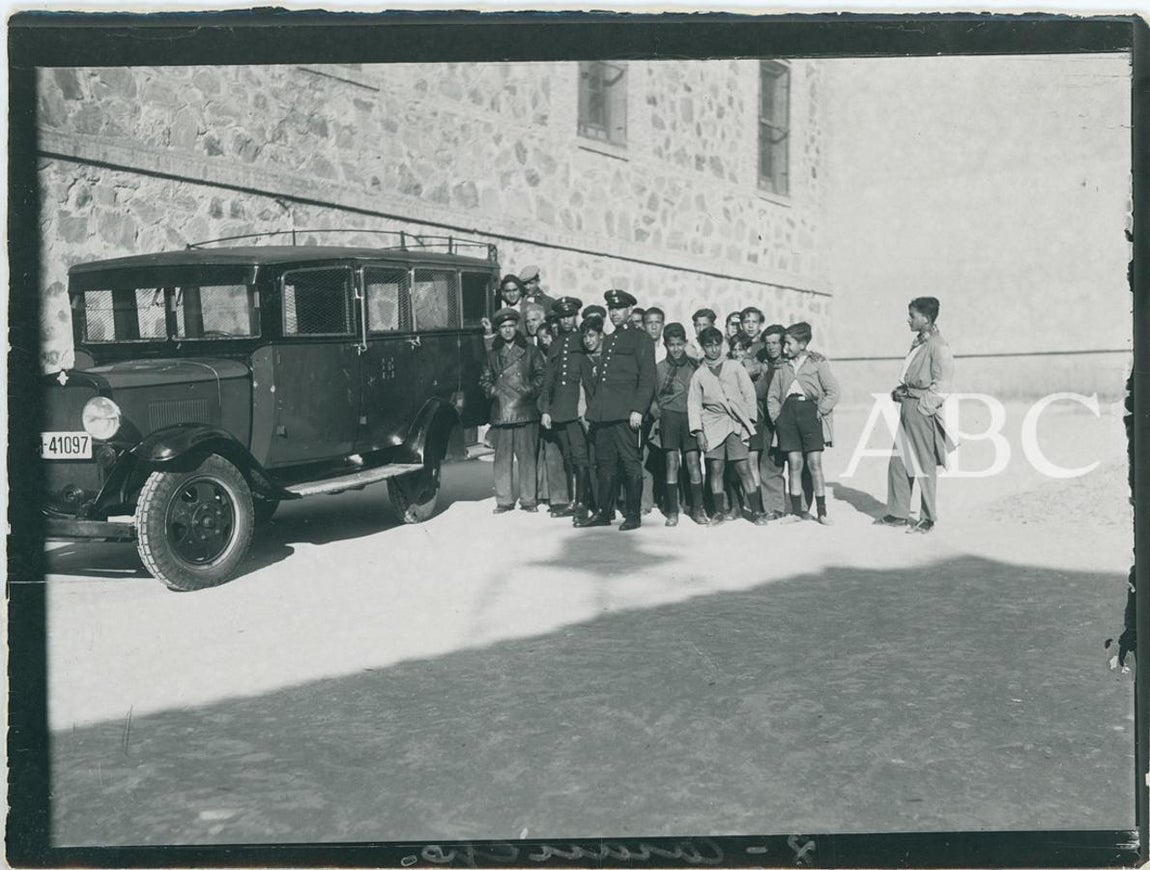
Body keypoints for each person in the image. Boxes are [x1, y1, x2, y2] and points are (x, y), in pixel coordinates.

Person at [575, 289, 656, 531]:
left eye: (619, 309)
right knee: (605, 463)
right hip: (604, 413)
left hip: (626, 413)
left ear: (630, 310)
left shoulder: (640, 339)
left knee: (630, 463)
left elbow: (647, 378)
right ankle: (603, 512)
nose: (614, 313)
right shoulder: (609, 340)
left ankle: (633, 514)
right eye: (611, 309)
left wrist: (638, 409)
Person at [875, 296, 956, 534]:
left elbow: (944, 384)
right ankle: (898, 513)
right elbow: (911, 375)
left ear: (926, 318)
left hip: (921, 410)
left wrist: (924, 407)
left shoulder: (939, 345)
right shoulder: (919, 342)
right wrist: (901, 392)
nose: (908, 319)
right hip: (908, 406)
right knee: (899, 462)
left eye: (912, 316)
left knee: (923, 464)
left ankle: (928, 518)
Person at [688, 327, 768, 526]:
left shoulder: (734, 366)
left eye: (717, 345)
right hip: (712, 424)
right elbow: (694, 404)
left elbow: (749, 393)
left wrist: (749, 420)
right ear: (702, 346)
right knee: (715, 468)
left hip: (735, 423)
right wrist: (698, 431)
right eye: (709, 345)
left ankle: (756, 512)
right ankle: (718, 512)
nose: (714, 350)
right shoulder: (699, 374)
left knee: (743, 467)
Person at [766, 321, 840, 525]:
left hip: (811, 415)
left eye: (789, 343)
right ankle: (797, 512)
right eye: (785, 344)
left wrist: (821, 410)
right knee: (795, 464)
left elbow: (833, 391)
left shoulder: (817, 363)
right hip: (787, 417)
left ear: (803, 343)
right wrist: (777, 418)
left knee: (814, 463)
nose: (785, 348)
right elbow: (772, 397)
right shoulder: (782, 366)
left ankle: (822, 511)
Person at [480, 307, 546, 514]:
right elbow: (484, 380)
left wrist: (525, 392)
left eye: (511, 326)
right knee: (502, 459)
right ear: (498, 329)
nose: (507, 330)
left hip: (525, 411)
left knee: (527, 458)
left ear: (516, 327)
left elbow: (541, 377)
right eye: (503, 327)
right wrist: (497, 392)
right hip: (502, 412)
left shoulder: (531, 351)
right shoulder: (492, 354)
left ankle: (528, 500)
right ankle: (504, 500)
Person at [540, 296, 595, 521]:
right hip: (559, 410)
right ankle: (573, 501)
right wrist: (545, 409)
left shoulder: (583, 341)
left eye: (570, 316)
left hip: (577, 410)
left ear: (576, 317)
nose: (566, 320)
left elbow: (589, 378)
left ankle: (583, 503)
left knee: (581, 457)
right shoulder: (555, 344)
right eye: (562, 317)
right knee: (569, 458)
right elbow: (549, 382)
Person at [650, 322, 706, 526]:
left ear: (685, 343)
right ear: (665, 345)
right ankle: (673, 511)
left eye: (679, 344)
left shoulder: (695, 367)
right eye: (671, 344)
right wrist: (656, 410)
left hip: (690, 418)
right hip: (669, 418)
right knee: (671, 463)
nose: (675, 349)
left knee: (693, 463)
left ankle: (697, 508)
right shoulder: (659, 369)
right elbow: (653, 396)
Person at [756, 323, 813, 519]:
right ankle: (774, 507)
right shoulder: (764, 365)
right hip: (771, 422)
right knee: (771, 464)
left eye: (776, 343)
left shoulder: (798, 363)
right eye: (768, 343)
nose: (771, 347)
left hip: (796, 422)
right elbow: (763, 393)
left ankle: (803, 506)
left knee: (800, 464)